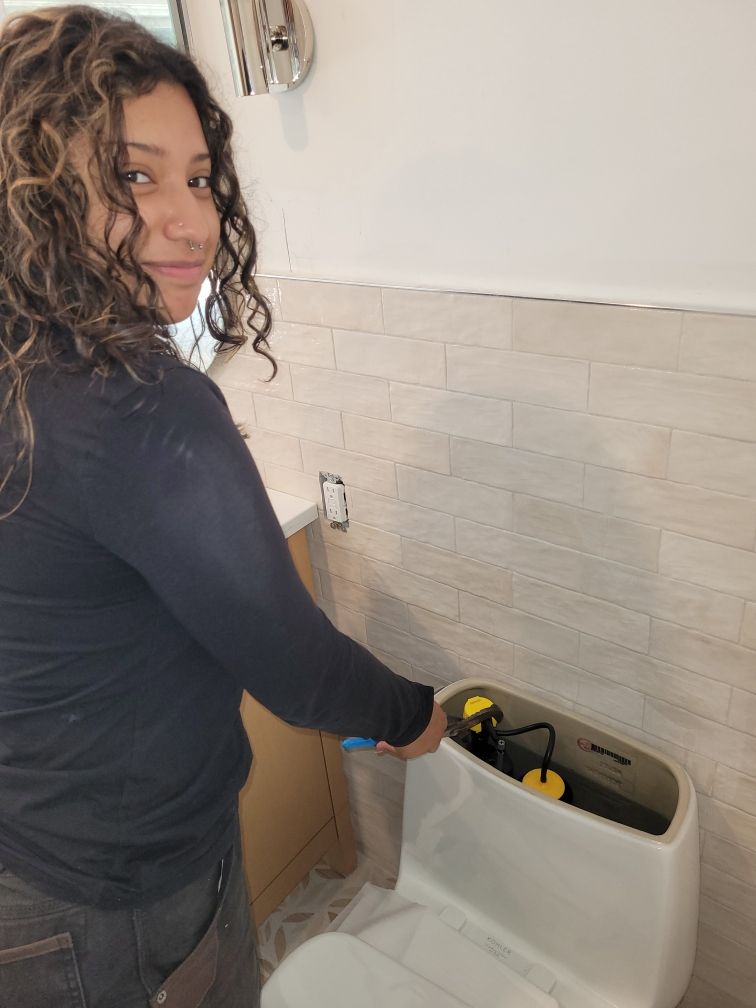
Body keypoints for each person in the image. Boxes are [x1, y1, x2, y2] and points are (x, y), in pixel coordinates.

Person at [0, 6, 447, 1007]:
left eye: (199, 177)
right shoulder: (132, 405)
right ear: (33, 188)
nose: (191, 217)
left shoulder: (24, 360)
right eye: (132, 175)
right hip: (112, 888)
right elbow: (294, 663)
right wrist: (415, 719)